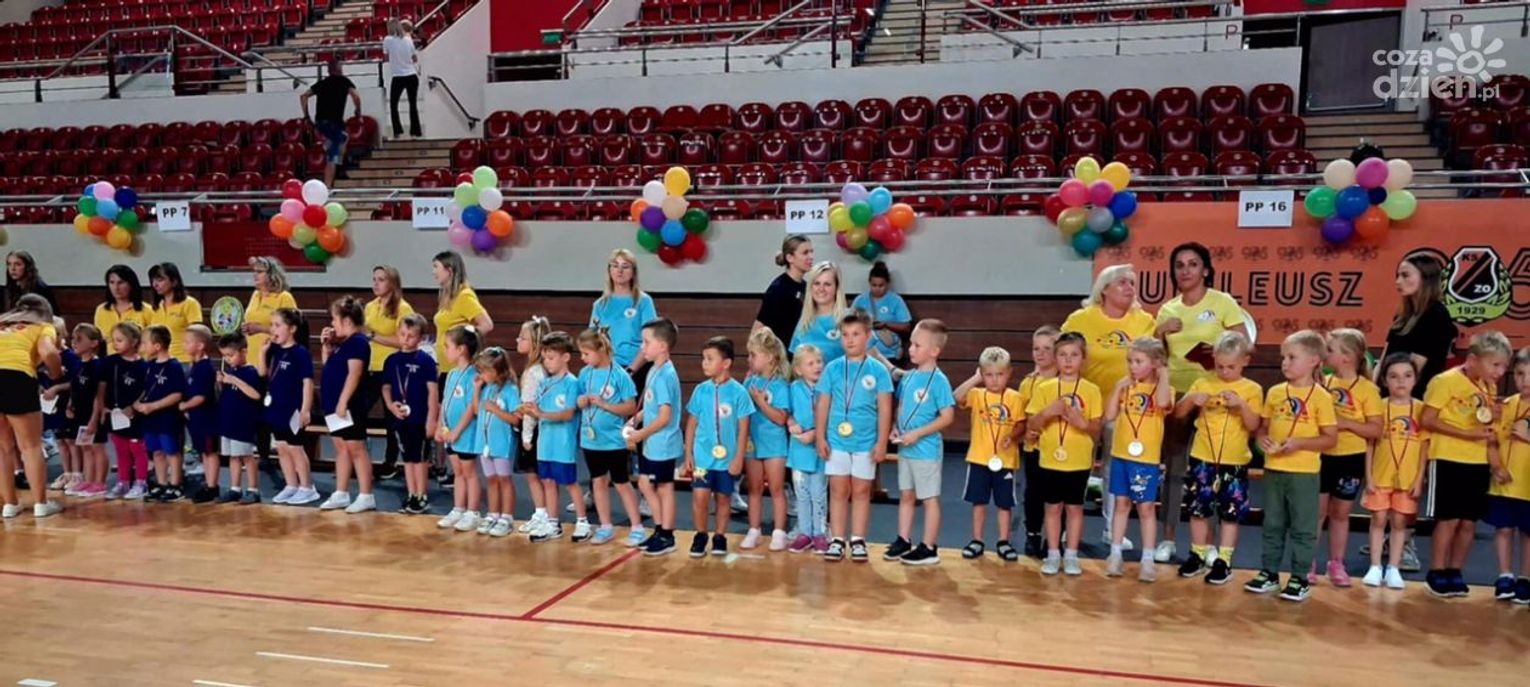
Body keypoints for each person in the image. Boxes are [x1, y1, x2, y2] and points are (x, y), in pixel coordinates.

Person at [1153, 242, 1249, 563]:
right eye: (1179, 265)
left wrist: (1216, 349)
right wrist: (1159, 332)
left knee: (1211, 469)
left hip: (1214, 395)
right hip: (1178, 395)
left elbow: (1244, 345)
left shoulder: (1222, 302)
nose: (1186, 270)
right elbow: (1156, 356)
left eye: (1193, 264)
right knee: (1174, 468)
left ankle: (1208, 544)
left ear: (1206, 270)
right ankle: (1168, 539)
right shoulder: (1168, 309)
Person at [1371, 254, 1458, 573]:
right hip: (1389, 401)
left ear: (1426, 278)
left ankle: (1405, 541)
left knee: (1408, 475)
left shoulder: (1436, 316)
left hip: (1414, 402)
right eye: (1398, 275)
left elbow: (1414, 367)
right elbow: (1385, 357)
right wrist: (1375, 393)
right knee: (1385, 470)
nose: (1399, 281)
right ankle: (1385, 535)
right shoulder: (1404, 314)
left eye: (1406, 275)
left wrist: (1399, 391)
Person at [1062, 264, 1156, 551]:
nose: (1130, 288)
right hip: (1085, 405)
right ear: (1104, 289)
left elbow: (1152, 362)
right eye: (1122, 282)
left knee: (1114, 470)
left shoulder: (1144, 320)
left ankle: (1112, 530)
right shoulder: (1081, 319)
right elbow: (1063, 354)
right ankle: (1069, 528)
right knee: (1077, 466)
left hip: (1126, 409)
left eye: (1132, 283)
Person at [1245, 330, 1337, 603]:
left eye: (1292, 357)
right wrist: (1262, 441)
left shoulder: (1321, 397)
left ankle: (1299, 576)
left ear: (1313, 360)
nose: (1285, 362)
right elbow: (1262, 428)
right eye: (1283, 357)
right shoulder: (1275, 392)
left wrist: (1299, 443)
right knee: (1272, 523)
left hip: (1304, 473)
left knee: (1303, 526)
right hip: (1274, 470)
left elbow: (1330, 439)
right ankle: (1269, 572)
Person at [1421, 330, 1511, 598]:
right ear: (1473, 359)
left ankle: (1455, 571)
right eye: (1495, 365)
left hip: (1477, 461)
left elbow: (1486, 428)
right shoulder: (1445, 381)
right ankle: (1437, 571)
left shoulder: (1488, 387)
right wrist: (1466, 434)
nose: (1500, 372)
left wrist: (1495, 461)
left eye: (1504, 366)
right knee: (1448, 519)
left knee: (1469, 522)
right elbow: (1427, 419)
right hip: (1448, 458)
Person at [1173, 331, 1262, 586]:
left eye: (1231, 367)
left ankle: (1224, 560)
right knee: (1198, 508)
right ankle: (1197, 554)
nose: (1224, 371)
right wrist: (1192, 400)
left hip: (1234, 460)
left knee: (1230, 512)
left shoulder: (1252, 389)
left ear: (1245, 361)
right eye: (1220, 366)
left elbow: (1254, 425)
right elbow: (1179, 413)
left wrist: (1241, 406)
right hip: (1202, 457)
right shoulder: (1203, 382)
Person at [814, 311, 892, 562]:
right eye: (845, 334)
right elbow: (823, 404)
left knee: (861, 490)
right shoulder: (833, 368)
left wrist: (882, 442)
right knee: (838, 490)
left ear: (868, 336)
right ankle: (837, 539)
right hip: (836, 440)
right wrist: (820, 437)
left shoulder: (878, 370)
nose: (849, 339)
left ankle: (858, 539)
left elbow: (885, 408)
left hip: (866, 442)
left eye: (856, 334)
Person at [1027, 332, 1103, 576]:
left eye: (1074, 355)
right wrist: (1048, 412)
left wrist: (1083, 424)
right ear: (1055, 358)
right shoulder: (1045, 388)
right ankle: (1052, 553)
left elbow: (1096, 428)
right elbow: (1032, 425)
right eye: (1062, 355)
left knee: (1074, 508)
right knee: (1052, 508)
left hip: (1078, 460)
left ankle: (1071, 555)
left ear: (1083, 358)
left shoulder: (1091, 390)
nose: (1068, 360)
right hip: (1050, 459)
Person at [1313, 329, 1383, 587]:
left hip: (1351, 458)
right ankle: (1308, 562)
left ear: (1347, 357)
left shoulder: (1367, 389)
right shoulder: (1324, 383)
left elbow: (1376, 429)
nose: (1325, 354)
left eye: (1330, 350)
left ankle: (1336, 563)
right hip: (1322, 455)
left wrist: (1346, 423)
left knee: (1341, 513)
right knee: (1317, 512)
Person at [1102, 338, 1173, 582]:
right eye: (1130, 361)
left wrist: (1163, 374)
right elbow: (1110, 415)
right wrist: (1117, 388)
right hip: (1121, 455)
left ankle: (1147, 559)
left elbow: (1163, 403)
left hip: (1145, 459)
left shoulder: (1164, 389)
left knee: (1145, 507)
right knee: (1121, 504)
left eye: (1138, 361)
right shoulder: (1126, 387)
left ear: (1155, 363)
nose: (1132, 366)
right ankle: (1115, 554)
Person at [886, 320, 955, 566]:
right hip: (906, 448)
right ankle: (903, 539)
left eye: (917, 345)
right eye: (911, 344)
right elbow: (901, 406)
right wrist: (895, 427)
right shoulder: (909, 377)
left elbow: (947, 417)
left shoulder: (939, 381)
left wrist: (918, 433)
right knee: (906, 495)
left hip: (926, 451)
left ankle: (929, 546)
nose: (911, 349)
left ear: (934, 350)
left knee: (929, 498)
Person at [683, 335, 755, 558]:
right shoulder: (700, 390)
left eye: (710, 358)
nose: (704, 363)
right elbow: (692, 423)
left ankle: (720, 536)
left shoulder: (739, 393)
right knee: (700, 497)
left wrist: (738, 458)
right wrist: (688, 453)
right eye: (703, 358)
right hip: (703, 458)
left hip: (727, 459)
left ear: (726, 363)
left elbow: (743, 429)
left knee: (724, 498)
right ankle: (701, 534)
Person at [1361, 354, 1427, 589]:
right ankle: (1375, 566)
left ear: (1415, 379)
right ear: (1385, 380)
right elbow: (1370, 444)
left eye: (1407, 376)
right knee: (1379, 518)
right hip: (1380, 474)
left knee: (1399, 521)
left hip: (1407, 478)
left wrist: (1419, 479)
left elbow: (1425, 448)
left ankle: (1394, 568)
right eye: (1394, 376)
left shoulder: (1421, 409)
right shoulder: (1378, 407)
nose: (1401, 382)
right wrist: (1369, 477)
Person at [953, 346, 1022, 562]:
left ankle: (1003, 541)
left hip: (1005, 460)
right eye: (989, 375)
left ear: (1009, 373)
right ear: (982, 374)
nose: (994, 380)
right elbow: (956, 396)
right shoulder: (977, 395)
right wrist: (975, 379)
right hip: (979, 459)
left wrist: (1013, 436)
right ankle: (977, 540)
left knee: (1004, 503)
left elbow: (1022, 423)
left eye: (1000, 374)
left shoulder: (1015, 398)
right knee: (978, 502)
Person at [0, 294, 64, 518]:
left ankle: (10, 504)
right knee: (30, 446)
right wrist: (55, 374)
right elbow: (49, 352)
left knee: (3, 448)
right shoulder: (43, 327)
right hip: (17, 378)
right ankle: (40, 504)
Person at [575, 328, 640, 546]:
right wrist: (581, 401)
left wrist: (605, 404)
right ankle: (605, 526)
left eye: (586, 353)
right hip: (590, 440)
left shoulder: (619, 375)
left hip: (613, 441)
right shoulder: (585, 373)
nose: (583, 358)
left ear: (601, 349)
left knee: (621, 482)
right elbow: (577, 399)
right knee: (598, 481)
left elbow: (630, 407)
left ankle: (637, 526)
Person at [627, 318, 683, 556]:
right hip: (652, 442)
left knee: (663, 487)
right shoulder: (654, 370)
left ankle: (667, 534)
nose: (642, 347)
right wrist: (637, 418)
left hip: (662, 443)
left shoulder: (665, 375)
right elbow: (652, 406)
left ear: (662, 346)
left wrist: (640, 433)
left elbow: (664, 416)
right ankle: (660, 530)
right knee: (646, 483)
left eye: (646, 342)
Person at [524, 331, 586, 543]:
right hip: (545, 444)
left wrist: (540, 414)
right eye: (545, 359)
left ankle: (582, 521)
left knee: (570, 482)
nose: (547, 363)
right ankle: (552, 522)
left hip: (562, 444)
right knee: (548, 482)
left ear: (565, 357)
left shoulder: (572, 383)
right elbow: (538, 409)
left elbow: (568, 414)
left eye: (551, 358)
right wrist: (528, 410)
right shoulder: (544, 384)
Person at [319, 296, 376, 515]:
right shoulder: (342, 345)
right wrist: (326, 349)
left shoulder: (358, 343)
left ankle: (366, 495)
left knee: (356, 449)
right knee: (341, 448)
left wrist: (343, 402)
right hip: (334, 405)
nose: (332, 324)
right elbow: (330, 369)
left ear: (347, 320)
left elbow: (354, 374)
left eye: (334, 319)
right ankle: (341, 492)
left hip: (350, 406)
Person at [382, 314, 439, 515]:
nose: (405, 339)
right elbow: (386, 387)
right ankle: (412, 493)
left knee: (420, 458)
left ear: (420, 338)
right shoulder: (391, 360)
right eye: (403, 334)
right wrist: (390, 406)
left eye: (411, 336)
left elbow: (433, 392)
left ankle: (421, 495)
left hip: (420, 418)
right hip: (400, 417)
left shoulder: (426, 361)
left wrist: (432, 419)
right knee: (407, 457)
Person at [742, 328, 792, 552]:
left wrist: (762, 403)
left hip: (774, 444)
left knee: (776, 488)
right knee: (754, 488)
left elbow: (781, 418)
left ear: (770, 357)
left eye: (753, 355)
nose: (749, 359)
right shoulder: (749, 383)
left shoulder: (780, 384)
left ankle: (779, 531)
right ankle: (754, 530)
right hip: (752, 442)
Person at [264, 308, 319, 506]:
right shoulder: (275, 350)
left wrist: (305, 409)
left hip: (293, 410)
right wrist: (263, 352)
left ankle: (307, 487)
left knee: (295, 447)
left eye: (277, 325)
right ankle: (291, 484)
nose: (273, 329)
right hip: (276, 408)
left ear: (292, 329)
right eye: (272, 325)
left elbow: (308, 383)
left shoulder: (300, 353)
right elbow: (264, 373)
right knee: (281, 447)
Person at [364, 265, 414, 478]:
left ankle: (390, 461)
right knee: (359, 410)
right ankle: (361, 458)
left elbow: (404, 340)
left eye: (381, 279)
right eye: (374, 279)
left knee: (391, 417)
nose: (376, 284)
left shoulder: (403, 308)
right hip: (369, 366)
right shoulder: (370, 306)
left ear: (392, 283)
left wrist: (373, 335)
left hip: (392, 368)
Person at [1489, 347, 1530, 604]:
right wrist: (1496, 467)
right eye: (1520, 374)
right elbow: (1491, 440)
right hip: (1503, 482)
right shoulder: (1504, 406)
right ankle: (1504, 575)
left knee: (1528, 533)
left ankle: (1526, 578)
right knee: (1503, 528)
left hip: (1527, 484)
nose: (1525, 381)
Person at [434, 325, 484, 533]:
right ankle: (458, 508)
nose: (444, 350)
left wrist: (458, 431)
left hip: (466, 432)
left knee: (469, 472)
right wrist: (440, 425)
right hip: (450, 432)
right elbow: (445, 402)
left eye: (448, 346)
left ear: (461, 349)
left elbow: (471, 408)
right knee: (457, 472)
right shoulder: (452, 374)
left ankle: (473, 511)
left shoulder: (474, 375)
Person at [1016, 325, 1059, 558]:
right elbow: (1021, 416)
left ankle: (1056, 539)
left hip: (1060, 448)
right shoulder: (1028, 383)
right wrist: (1025, 433)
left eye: (1046, 349)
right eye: (1036, 349)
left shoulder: (1067, 381)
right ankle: (1032, 534)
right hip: (1034, 448)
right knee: (1033, 493)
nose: (1040, 354)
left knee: (1057, 495)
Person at [136, 325, 188, 502]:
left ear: (157, 346)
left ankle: (175, 485)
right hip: (151, 418)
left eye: (145, 343)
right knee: (156, 451)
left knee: (171, 451)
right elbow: (146, 389)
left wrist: (154, 406)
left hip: (167, 417)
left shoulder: (174, 366)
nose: (142, 347)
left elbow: (177, 394)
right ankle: (161, 483)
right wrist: (138, 402)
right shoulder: (149, 366)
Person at [474, 346, 521, 538]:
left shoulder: (511, 390)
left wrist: (496, 410)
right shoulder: (487, 389)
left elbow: (516, 419)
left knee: (504, 479)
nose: (481, 375)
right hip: (485, 443)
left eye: (484, 371)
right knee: (491, 479)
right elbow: (477, 411)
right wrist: (476, 390)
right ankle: (493, 514)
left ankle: (506, 517)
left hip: (502, 443)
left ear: (496, 371)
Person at [590, 249, 658, 380]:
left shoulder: (643, 301)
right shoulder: (600, 305)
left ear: (633, 272)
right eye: (615, 266)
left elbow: (651, 339)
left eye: (625, 266)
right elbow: (592, 340)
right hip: (607, 369)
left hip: (637, 369)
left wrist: (631, 370)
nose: (619, 270)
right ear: (609, 270)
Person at [785, 343, 826, 554]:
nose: (817, 366)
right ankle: (804, 533)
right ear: (799, 369)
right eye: (811, 363)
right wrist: (791, 422)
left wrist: (816, 433)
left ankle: (820, 534)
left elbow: (832, 416)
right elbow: (787, 413)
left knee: (818, 494)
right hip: (799, 451)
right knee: (802, 494)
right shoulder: (793, 389)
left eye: (819, 361)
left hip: (820, 451)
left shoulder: (827, 388)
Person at [102, 322, 149, 501]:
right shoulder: (110, 362)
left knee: (137, 449)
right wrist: (104, 406)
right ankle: (123, 482)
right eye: (113, 340)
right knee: (121, 449)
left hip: (135, 415)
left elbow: (146, 390)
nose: (115, 344)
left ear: (134, 341)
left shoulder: (143, 366)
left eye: (120, 340)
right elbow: (103, 386)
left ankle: (141, 482)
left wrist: (135, 406)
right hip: (115, 414)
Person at [215, 333, 264, 505]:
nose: (227, 359)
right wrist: (221, 383)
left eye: (231, 355)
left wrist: (234, 380)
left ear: (243, 351)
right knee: (233, 456)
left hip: (243, 422)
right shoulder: (232, 371)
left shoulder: (250, 372)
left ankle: (253, 489)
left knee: (246, 456)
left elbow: (256, 394)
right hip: (229, 421)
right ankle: (235, 488)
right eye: (225, 356)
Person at [299, 58, 361, 188]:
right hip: (334, 123)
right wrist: (358, 111)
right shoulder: (344, 81)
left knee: (343, 138)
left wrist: (306, 116)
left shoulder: (322, 83)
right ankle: (328, 186)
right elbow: (356, 96)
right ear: (340, 69)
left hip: (321, 122)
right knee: (333, 154)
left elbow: (303, 96)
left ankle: (334, 158)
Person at [515, 316, 552, 531]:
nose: (517, 340)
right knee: (541, 475)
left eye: (522, 337)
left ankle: (541, 514)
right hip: (544, 428)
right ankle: (544, 514)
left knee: (533, 474)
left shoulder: (532, 373)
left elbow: (530, 408)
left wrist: (526, 437)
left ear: (535, 343)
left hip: (534, 430)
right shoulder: (542, 369)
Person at [66, 324, 108, 498]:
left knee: (97, 447)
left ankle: (100, 482)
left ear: (93, 343)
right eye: (73, 339)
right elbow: (74, 387)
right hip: (80, 413)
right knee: (85, 447)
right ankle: (88, 481)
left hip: (93, 413)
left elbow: (99, 395)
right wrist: (70, 403)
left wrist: (94, 419)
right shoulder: (77, 364)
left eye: (79, 339)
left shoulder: (98, 366)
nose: (74, 343)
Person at [432, 251, 494, 365]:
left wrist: (463, 341)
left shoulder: (464, 296)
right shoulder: (448, 296)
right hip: (445, 366)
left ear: (449, 270)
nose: (433, 272)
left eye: (436, 267)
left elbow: (487, 325)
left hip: (458, 366)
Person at [753, 235, 814, 349]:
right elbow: (759, 327)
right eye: (805, 253)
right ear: (790, 258)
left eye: (811, 252)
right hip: (780, 354)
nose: (811, 257)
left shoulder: (805, 286)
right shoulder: (778, 289)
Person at [182, 326, 220, 503]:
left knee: (210, 452)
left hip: (207, 419)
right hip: (196, 419)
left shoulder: (205, 368)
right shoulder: (194, 366)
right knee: (203, 452)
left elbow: (201, 396)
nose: (184, 345)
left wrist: (183, 406)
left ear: (200, 345)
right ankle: (207, 483)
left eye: (187, 342)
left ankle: (212, 486)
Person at [851, 261, 912, 362]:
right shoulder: (860, 300)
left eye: (881, 285)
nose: (877, 289)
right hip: (864, 353)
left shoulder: (895, 300)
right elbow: (848, 323)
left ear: (887, 284)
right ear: (869, 283)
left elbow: (906, 326)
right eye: (874, 285)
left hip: (889, 354)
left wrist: (886, 325)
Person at [789, 261, 849, 364]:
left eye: (827, 284)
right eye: (817, 283)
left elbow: (872, 358)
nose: (821, 289)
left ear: (836, 288)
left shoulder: (850, 319)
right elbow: (795, 364)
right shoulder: (804, 322)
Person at [148, 263, 202, 365]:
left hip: (183, 361)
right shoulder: (156, 307)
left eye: (160, 280)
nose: (155, 284)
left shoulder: (189, 303)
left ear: (174, 282)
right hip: (160, 360)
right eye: (153, 280)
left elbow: (197, 335)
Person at [383, 18, 421, 139]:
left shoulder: (387, 40)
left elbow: (385, 56)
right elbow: (414, 58)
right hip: (411, 74)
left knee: (393, 104)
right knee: (413, 104)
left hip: (398, 76)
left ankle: (397, 131)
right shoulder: (408, 39)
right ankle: (415, 132)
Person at [94, 264, 154, 340]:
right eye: (112, 282)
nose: (116, 287)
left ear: (131, 284)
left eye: (121, 282)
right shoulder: (101, 310)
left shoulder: (147, 310)